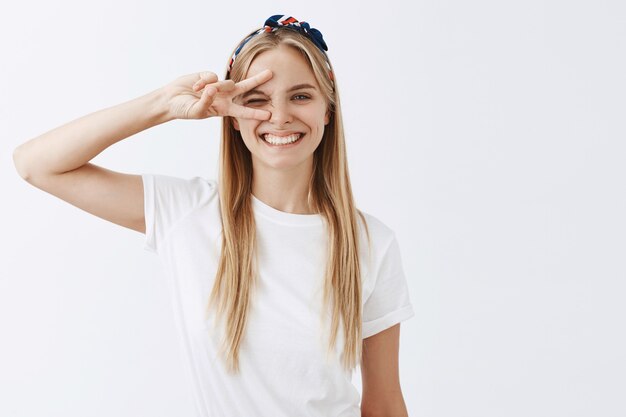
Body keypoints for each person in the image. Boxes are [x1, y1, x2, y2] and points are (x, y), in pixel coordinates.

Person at [13, 14, 415, 417]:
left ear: (328, 110)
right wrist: (164, 105)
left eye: (300, 96)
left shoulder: (371, 243)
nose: (278, 116)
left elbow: (383, 404)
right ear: (233, 118)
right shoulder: (186, 213)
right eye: (257, 100)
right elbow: (36, 165)